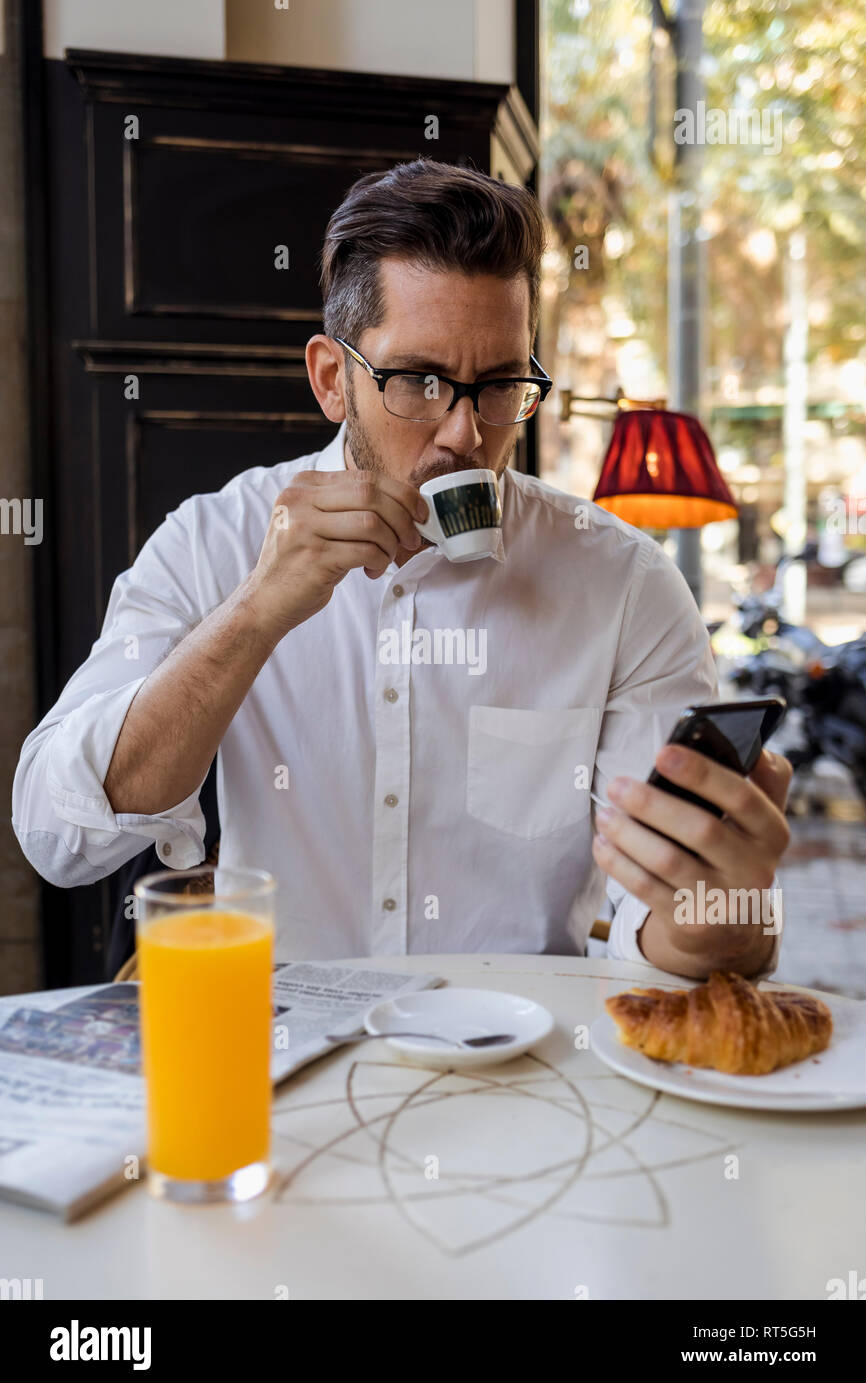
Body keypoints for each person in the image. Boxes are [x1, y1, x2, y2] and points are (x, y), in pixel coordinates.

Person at [12, 159, 791, 979]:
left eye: (498, 386)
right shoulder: (215, 542)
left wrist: (719, 916)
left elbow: (669, 930)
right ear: (331, 379)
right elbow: (58, 836)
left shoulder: (622, 585)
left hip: (524, 1066)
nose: (463, 434)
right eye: (419, 381)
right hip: (279, 1054)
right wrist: (255, 613)